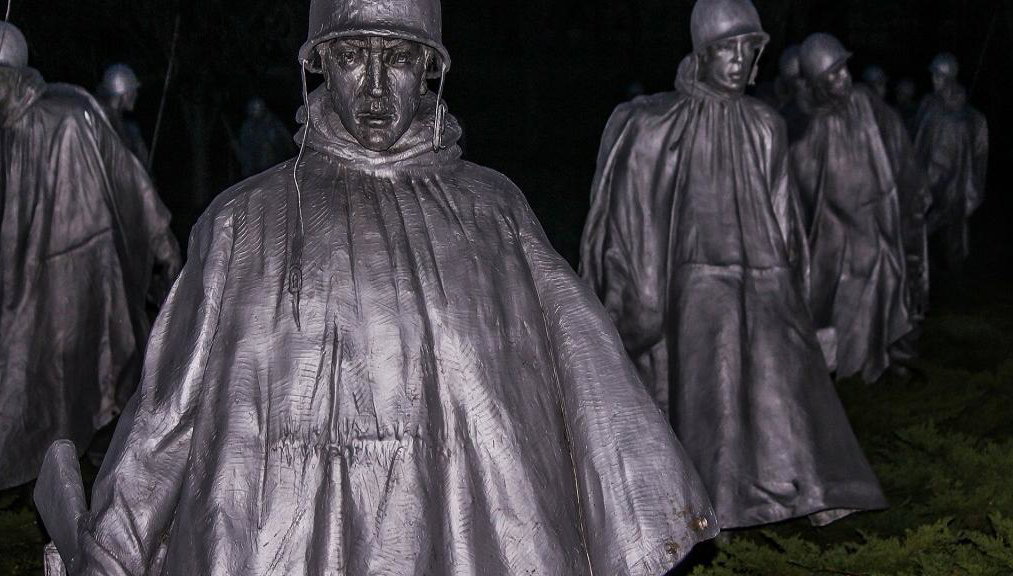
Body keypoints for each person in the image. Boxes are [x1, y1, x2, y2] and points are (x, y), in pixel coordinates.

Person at [34, 1, 719, 574]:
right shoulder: (245, 223)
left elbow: (585, 387)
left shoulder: (493, 212)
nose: (370, 87)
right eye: (350, 55)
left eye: (395, 58)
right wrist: (113, 555)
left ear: (429, 69)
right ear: (317, 63)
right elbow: (167, 415)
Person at [580, 0, 886, 529]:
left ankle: (807, 490)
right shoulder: (659, 124)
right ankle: (698, 507)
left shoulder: (766, 125)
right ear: (702, 54)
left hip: (766, 281)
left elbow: (787, 219)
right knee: (710, 399)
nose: (740, 61)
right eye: (727, 49)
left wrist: (806, 304)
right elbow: (634, 217)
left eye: (749, 50)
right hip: (693, 284)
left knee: (784, 387)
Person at [0, 22, 181, 490]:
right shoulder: (10, 133)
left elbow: (129, 182)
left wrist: (161, 240)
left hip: (87, 277)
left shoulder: (70, 113)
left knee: (101, 376)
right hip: (25, 288)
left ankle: (113, 484)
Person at [791, 33, 925, 382]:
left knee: (891, 286)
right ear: (817, 85)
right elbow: (802, 182)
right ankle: (844, 363)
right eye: (831, 76)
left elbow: (896, 142)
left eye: (843, 69)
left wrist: (913, 187)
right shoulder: (814, 126)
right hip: (838, 231)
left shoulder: (866, 103)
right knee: (842, 298)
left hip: (879, 218)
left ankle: (887, 357)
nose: (843, 78)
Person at [914, 52, 989, 278]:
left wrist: (971, 186)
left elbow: (975, 154)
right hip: (936, 183)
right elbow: (919, 142)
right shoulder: (930, 107)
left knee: (948, 237)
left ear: (948, 78)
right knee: (933, 233)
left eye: (938, 76)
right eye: (933, 76)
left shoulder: (967, 118)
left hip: (951, 187)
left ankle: (954, 282)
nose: (933, 81)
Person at [95, 63, 149, 165]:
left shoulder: (126, 127)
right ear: (125, 94)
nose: (136, 95)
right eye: (134, 91)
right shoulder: (104, 125)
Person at [237, 96, 296, 178]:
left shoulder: (272, 120)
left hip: (277, 161)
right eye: (255, 109)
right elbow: (246, 149)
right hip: (257, 165)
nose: (257, 111)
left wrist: (291, 152)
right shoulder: (248, 127)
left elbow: (286, 136)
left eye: (259, 108)